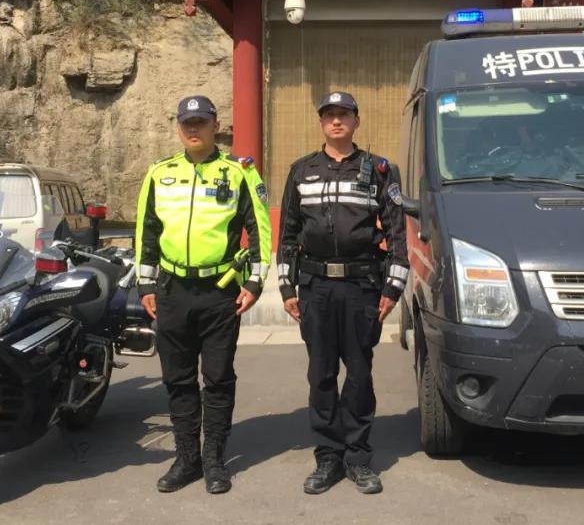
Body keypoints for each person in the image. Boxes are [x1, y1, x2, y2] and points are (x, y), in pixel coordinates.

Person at [134, 95, 272, 494]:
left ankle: (213, 458)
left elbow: (259, 229)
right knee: (177, 378)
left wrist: (255, 282)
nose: (193, 128)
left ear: (216, 126)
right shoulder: (159, 173)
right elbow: (147, 231)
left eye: (201, 121)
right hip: (172, 290)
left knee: (217, 377)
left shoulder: (239, 172)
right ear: (179, 127)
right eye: (186, 122)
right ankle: (186, 459)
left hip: (219, 292)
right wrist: (145, 284)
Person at [277, 91, 409, 495]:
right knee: (320, 375)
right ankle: (328, 457)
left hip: (361, 288)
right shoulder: (301, 171)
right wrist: (286, 286)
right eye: (329, 115)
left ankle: (358, 457)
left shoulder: (381, 170)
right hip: (315, 288)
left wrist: (393, 287)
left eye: (344, 115)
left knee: (359, 374)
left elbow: (397, 235)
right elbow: (288, 236)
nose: (337, 121)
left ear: (356, 121)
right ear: (321, 122)